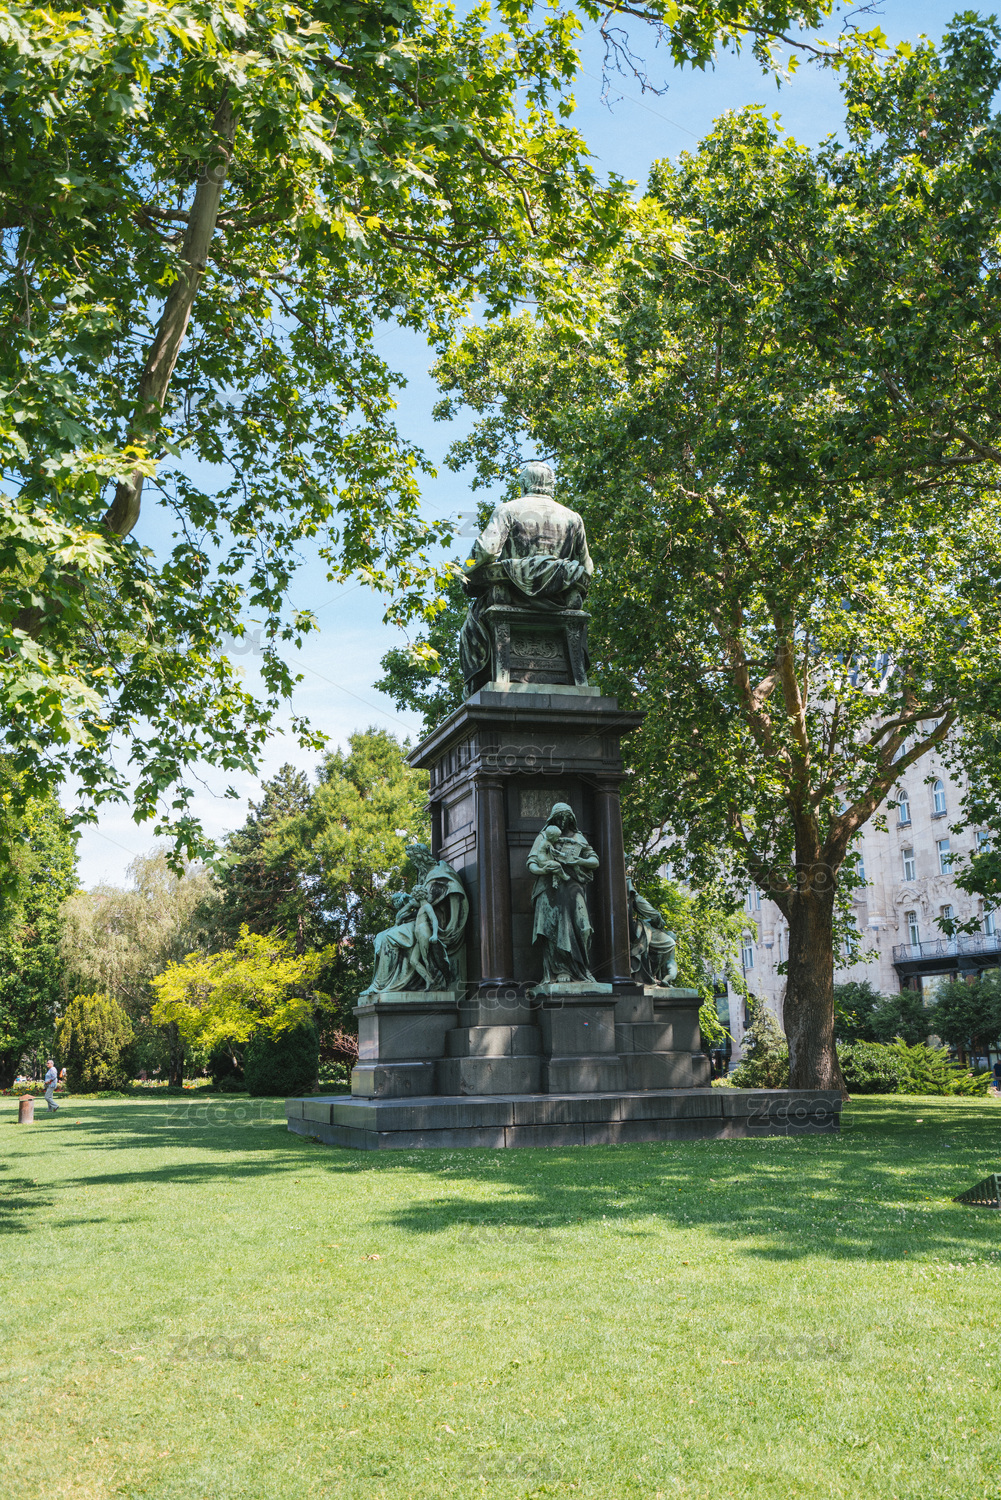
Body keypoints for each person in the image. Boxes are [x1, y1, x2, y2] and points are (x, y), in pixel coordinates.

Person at [458, 461, 594, 695]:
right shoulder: (573, 518)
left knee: (469, 629)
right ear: (552, 484)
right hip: (559, 601)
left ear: (523, 484)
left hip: (512, 596)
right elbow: (586, 568)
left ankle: (479, 681)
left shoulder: (508, 510)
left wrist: (465, 571)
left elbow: (487, 549)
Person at [527, 803, 600, 985]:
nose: (562, 821)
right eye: (559, 817)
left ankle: (582, 969)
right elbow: (532, 862)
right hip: (550, 890)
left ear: (572, 818)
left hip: (573, 887)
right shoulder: (544, 836)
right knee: (554, 928)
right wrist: (545, 870)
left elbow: (594, 861)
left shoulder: (579, 838)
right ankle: (561, 969)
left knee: (583, 927)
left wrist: (579, 860)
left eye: (566, 817)